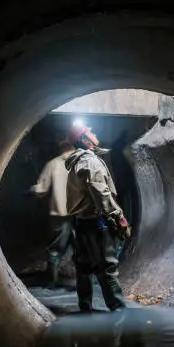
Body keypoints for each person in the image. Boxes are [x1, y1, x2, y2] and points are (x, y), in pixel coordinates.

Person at [65, 123, 131, 313]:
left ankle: (85, 309)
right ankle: (119, 311)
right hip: (96, 223)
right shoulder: (90, 162)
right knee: (108, 266)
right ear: (84, 140)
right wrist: (118, 217)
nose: (94, 133)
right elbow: (101, 193)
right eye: (90, 132)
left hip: (81, 223)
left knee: (84, 267)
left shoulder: (79, 161)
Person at [29, 140, 76, 289]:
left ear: (60, 149)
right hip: (82, 214)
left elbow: (41, 189)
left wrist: (33, 190)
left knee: (55, 250)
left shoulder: (53, 164)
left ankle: (52, 282)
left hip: (59, 214)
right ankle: (86, 282)